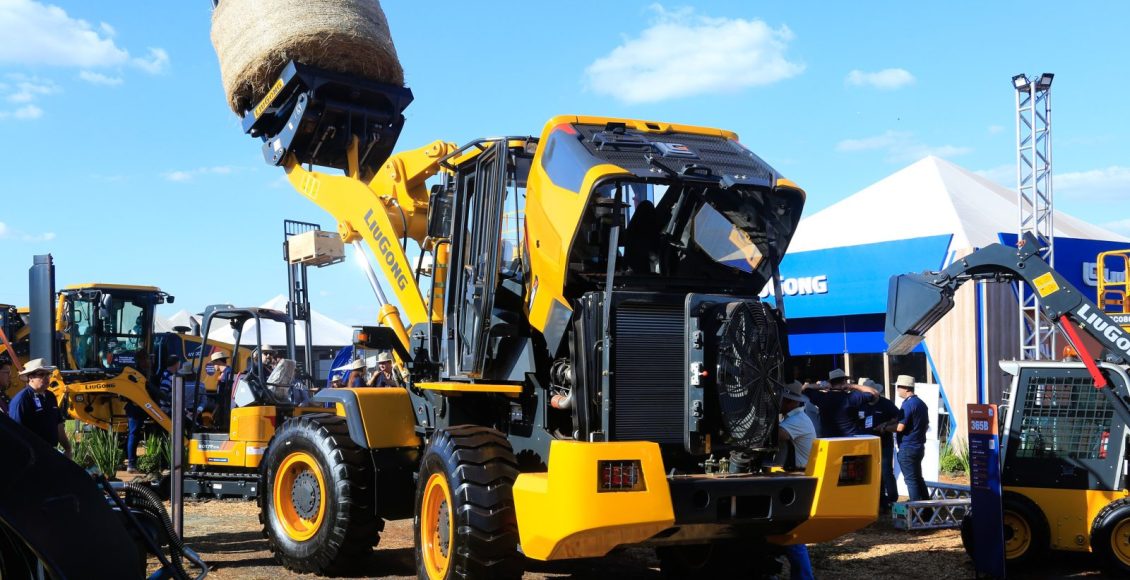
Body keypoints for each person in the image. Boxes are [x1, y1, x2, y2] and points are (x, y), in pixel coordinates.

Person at [777, 382, 816, 580]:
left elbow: (778, 434)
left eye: (781, 399)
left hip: (799, 477)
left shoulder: (798, 420)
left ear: (790, 401)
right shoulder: (797, 417)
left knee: (793, 534)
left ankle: (804, 577)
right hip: (795, 475)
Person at [9, 358, 72, 459]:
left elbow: (58, 425)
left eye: (48, 374)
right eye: (41, 374)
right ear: (31, 377)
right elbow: (16, 434)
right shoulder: (22, 400)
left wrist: (68, 449)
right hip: (32, 456)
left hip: (50, 453)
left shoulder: (50, 396)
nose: (47, 378)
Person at [861, 378, 900, 513]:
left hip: (884, 443)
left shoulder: (886, 404)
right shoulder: (861, 404)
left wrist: (886, 425)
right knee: (871, 473)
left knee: (886, 471)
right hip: (866, 445)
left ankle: (892, 499)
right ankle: (879, 500)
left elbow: (899, 417)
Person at [802, 369, 878, 437]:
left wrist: (822, 385)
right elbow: (874, 393)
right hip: (851, 440)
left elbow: (804, 388)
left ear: (830, 383)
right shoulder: (852, 397)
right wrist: (852, 385)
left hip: (829, 441)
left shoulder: (821, 397)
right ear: (844, 381)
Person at [895, 374, 930, 502]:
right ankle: (927, 511)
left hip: (908, 447)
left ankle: (916, 512)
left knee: (911, 481)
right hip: (918, 446)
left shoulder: (908, 405)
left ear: (906, 388)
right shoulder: (921, 404)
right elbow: (926, 425)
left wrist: (884, 427)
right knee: (918, 478)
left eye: (898, 387)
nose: (897, 390)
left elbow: (900, 427)